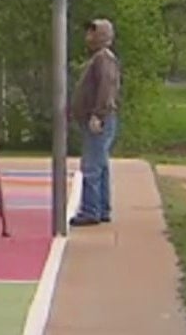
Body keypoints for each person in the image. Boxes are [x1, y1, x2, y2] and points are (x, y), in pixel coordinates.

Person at [69, 18, 122, 227]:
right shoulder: (99, 58)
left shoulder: (103, 59)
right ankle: (102, 208)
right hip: (99, 118)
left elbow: (106, 89)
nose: (88, 36)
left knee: (91, 165)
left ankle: (90, 210)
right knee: (100, 165)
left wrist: (98, 115)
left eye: (93, 32)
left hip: (100, 119)